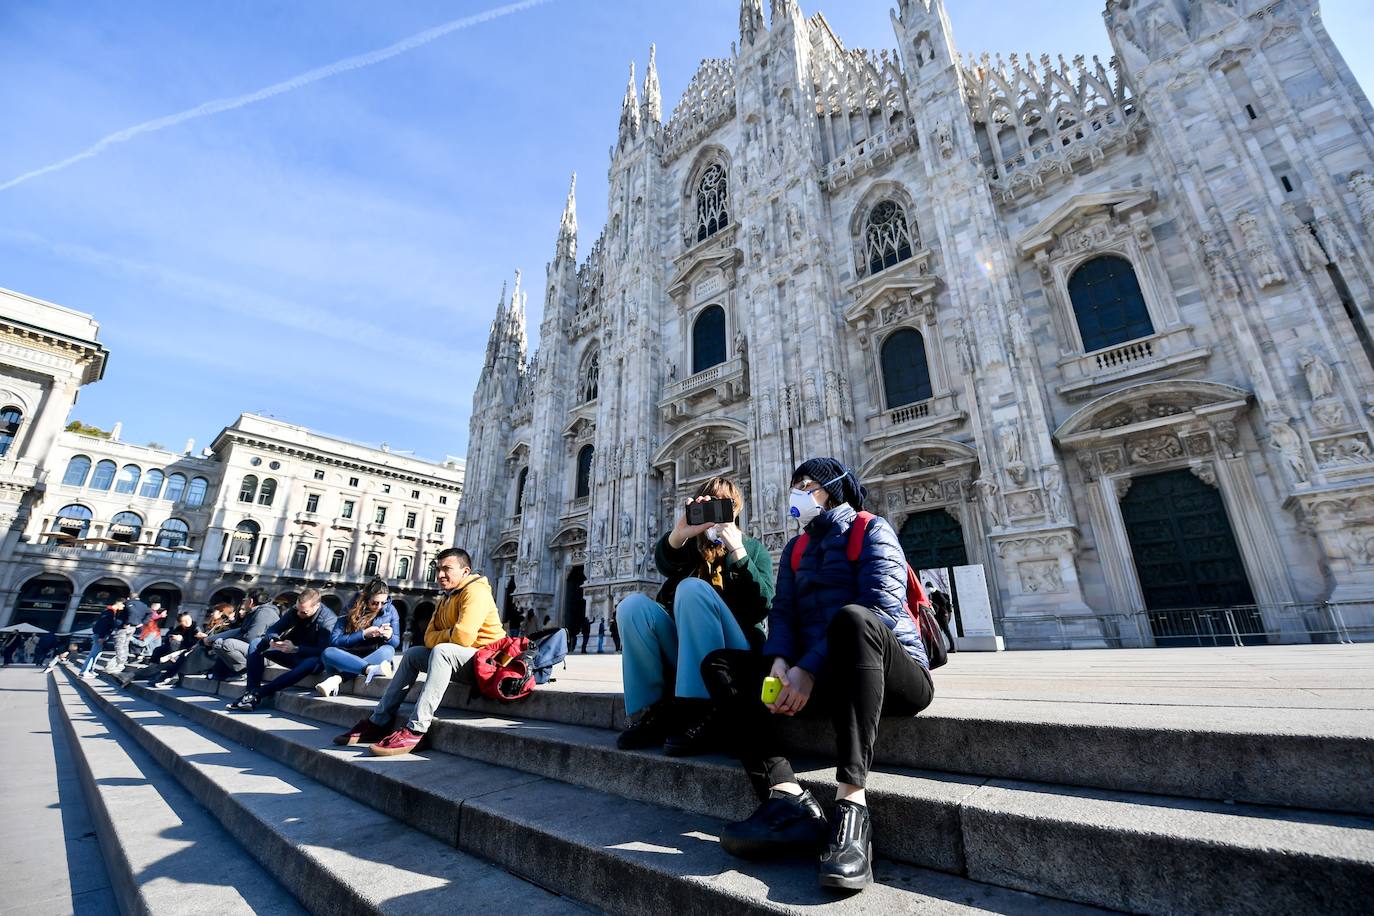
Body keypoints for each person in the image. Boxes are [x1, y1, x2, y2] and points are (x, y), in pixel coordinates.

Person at [701, 458, 933, 892]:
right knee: (720, 663)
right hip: (826, 678)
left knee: (853, 618)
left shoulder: (872, 529)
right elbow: (783, 613)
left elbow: (881, 608)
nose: (798, 493)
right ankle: (787, 797)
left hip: (893, 672)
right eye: (795, 485)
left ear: (834, 489)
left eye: (807, 484)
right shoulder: (797, 548)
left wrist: (808, 668)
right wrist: (781, 664)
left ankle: (852, 807)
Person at [615, 477, 773, 756]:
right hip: (688, 652)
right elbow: (665, 561)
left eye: (722, 506)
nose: (714, 515)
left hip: (734, 653)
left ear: (735, 510)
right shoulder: (690, 550)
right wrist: (680, 534)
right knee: (632, 607)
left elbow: (762, 604)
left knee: (691, 589)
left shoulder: (753, 549)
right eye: (707, 506)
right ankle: (655, 710)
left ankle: (703, 710)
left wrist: (738, 551)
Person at [331, 548, 504, 756]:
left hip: (488, 663)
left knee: (442, 651)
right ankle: (378, 721)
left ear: (465, 571)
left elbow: (463, 638)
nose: (440, 574)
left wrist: (445, 636)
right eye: (438, 569)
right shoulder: (446, 598)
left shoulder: (476, 592)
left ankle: (416, 729)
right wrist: (448, 634)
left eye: (447, 569)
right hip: (466, 659)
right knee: (413, 654)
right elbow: (427, 636)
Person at [227, 589, 337, 711]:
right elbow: (273, 629)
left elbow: (323, 650)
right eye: (298, 609)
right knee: (256, 643)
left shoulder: (328, 621)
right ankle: (250, 692)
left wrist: (296, 649)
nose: (299, 614)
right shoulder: (296, 610)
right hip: (289, 651)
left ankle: (258, 693)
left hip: (310, 659)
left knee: (312, 661)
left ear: (317, 606)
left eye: (304, 612)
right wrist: (273, 640)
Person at [315, 581, 401, 697]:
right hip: (347, 656)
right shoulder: (350, 608)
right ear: (366, 599)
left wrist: (389, 636)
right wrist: (363, 634)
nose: (379, 607)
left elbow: (396, 642)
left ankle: (337, 679)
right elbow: (335, 641)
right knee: (328, 652)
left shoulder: (391, 610)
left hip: (373, 655)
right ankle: (369, 669)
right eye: (375, 603)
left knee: (388, 650)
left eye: (383, 602)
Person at [145, 603, 235, 687]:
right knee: (177, 654)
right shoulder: (213, 625)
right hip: (201, 650)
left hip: (211, 655)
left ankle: (167, 677)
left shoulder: (225, 626)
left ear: (221, 613)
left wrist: (205, 637)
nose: (211, 614)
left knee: (185, 655)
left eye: (214, 611)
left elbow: (219, 641)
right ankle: (164, 677)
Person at [206, 590, 280, 680]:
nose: (244, 603)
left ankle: (245, 671)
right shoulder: (255, 612)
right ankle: (234, 671)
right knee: (218, 643)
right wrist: (211, 638)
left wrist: (229, 638)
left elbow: (251, 638)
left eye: (245, 600)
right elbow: (240, 630)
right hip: (255, 650)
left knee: (228, 644)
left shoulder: (264, 613)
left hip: (266, 655)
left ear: (251, 601)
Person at [106, 593, 155, 674]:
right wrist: (142, 622)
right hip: (133, 627)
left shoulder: (129, 603)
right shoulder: (143, 605)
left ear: (129, 598)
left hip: (124, 626)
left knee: (119, 644)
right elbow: (150, 613)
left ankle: (120, 663)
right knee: (125, 644)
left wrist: (128, 622)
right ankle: (123, 660)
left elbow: (132, 612)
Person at [79, 604, 121, 679]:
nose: (123, 607)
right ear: (118, 604)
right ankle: (85, 671)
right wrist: (102, 637)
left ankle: (90, 670)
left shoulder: (106, 612)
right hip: (100, 635)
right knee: (93, 654)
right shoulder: (110, 613)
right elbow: (104, 625)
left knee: (96, 654)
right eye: (122, 605)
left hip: (98, 634)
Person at [926, 581, 957, 653]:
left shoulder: (937, 593)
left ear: (931, 587)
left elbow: (944, 602)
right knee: (938, 632)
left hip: (943, 615)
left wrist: (933, 603)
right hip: (938, 616)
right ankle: (940, 648)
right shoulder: (931, 594)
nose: (927, 589)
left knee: (947, 631)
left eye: (928, 587)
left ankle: (953, 647)